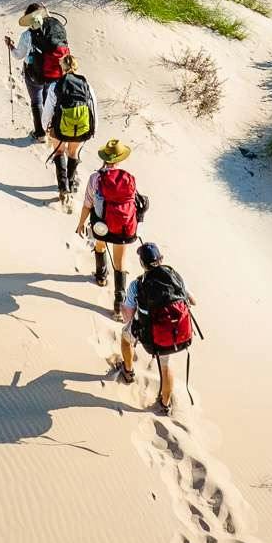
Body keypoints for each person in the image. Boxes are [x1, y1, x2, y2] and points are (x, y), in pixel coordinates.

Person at [118, 241, 196, 415]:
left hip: (151, 338)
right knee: (166, 366)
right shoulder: (176, 277)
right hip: (177, 334)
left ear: (142, 264)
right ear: (161, 259)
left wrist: (125, 307)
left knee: (125, 337)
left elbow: (128, 317)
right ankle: (165, 403)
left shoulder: (137, 285)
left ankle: (129, 372)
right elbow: (193, 301)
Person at [74, 139, 144, 316]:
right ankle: (119, 305)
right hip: (123, 227)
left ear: (104, 158)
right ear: (119, 159)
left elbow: (87, 204)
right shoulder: (128, 178)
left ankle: (101, 277)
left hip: (101, 225)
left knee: (100, 245)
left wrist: (81, 223)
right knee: (120, 263)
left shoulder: (95, 178)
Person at [39, 54, 97, 205]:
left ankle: (62, 187)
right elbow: (93, 107)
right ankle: (70, 185)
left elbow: (48, 109)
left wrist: (45, 126)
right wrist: (93, 127)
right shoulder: (86, 85)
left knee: (59, 152)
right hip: (81, 127)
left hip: (60, 126)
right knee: (73, 153)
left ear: (62, 67)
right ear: (76, 67)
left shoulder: (56, 85)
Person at [3, 4, 68, 139]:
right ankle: (50, 128)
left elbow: (18, 55)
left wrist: (10, 46)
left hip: (34, 74)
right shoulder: (54, 30)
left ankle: (39, 133)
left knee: (36, 101)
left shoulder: (27, 35)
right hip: (53, 73)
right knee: (47, 99)